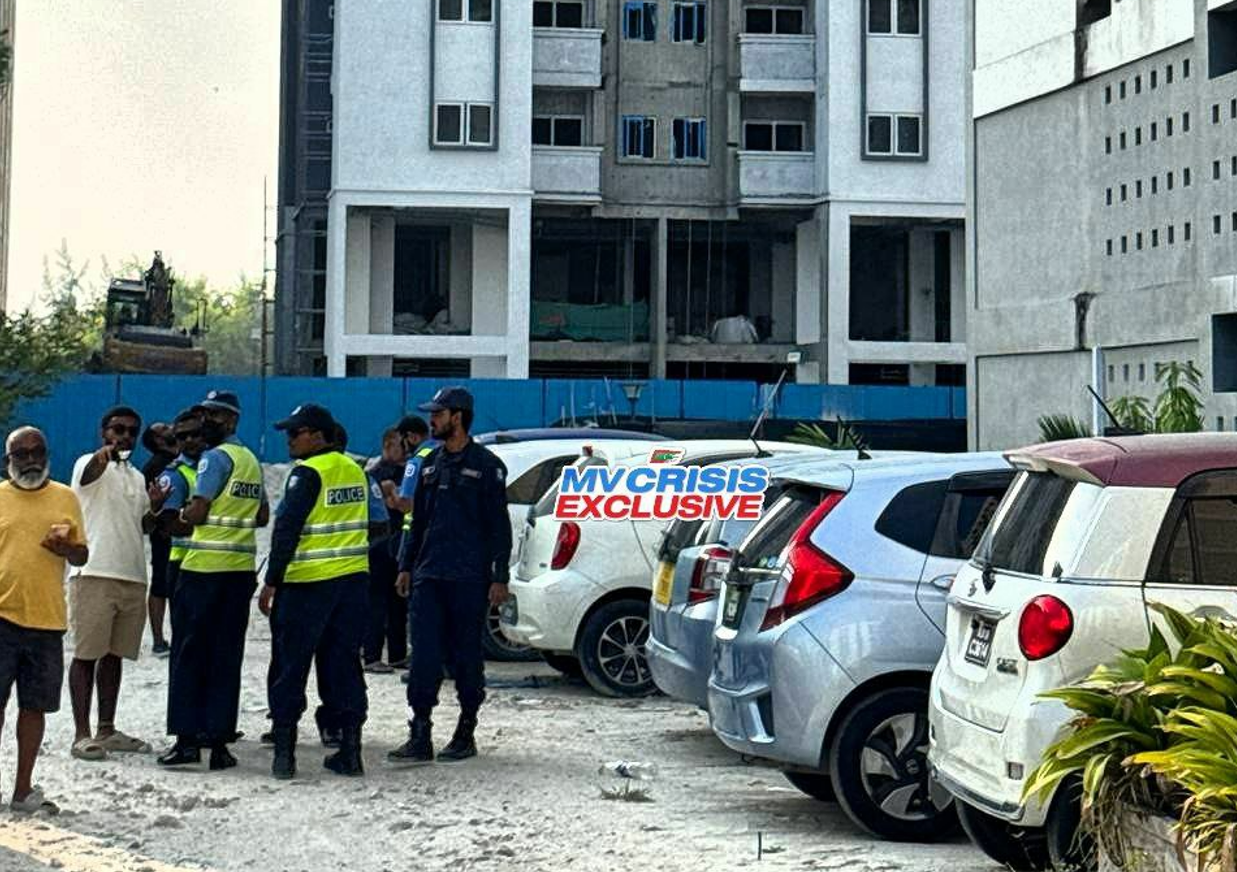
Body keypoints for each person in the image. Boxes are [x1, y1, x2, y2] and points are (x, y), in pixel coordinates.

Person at [390, 387, 511, 764]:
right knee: (423, 657)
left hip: (468, 578)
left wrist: (500, 576)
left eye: (439, 414)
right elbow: (418, 522)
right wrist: (406, 565)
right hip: (429, 575)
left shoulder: (487, 466)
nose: (432, 420)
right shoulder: (430, 464)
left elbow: (499, 526)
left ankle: (465, 729)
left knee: (465, 657)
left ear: (457, 417)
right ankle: (420, 733)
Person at [260, 404, 374, 779]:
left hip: (307, 583)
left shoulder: (308, 473)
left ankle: (284, 755)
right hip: (352, 582)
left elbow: (287, 529)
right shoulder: (355, 470)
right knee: (344, 666)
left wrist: (272, 580)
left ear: (318, 436)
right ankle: (350, 751)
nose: (290, 440)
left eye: (296, 433)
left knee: (290, 666)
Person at [160, 390, 268, 771]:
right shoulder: (250, 461)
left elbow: (199, 512)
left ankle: (187, 741)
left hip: (202, 569)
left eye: (213, 415)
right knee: (226, 657)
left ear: (231, 420)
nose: (206, 421)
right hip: (239, 571)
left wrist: (180, 515)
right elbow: (262, 516)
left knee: (188, 655)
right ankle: (220, 743)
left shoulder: (213, 459)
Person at [68, 406, 168, 762]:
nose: (125, 436)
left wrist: (155, 508)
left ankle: (106, 729)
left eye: (131, 431)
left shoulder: (138, 477)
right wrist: (104, 454)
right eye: (117, 429)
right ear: (103, 432)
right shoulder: (87, 463)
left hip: (132, 575)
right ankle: (81, 734)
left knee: (114, 656)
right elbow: (89, 475)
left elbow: (143, 526)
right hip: (94, 572)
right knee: (86, 655)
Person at [0, 427, 88, 812]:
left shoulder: (66, 497)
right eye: (22, 454)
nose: (31, 460)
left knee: (34, 708)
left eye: (38, 451)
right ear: (8, 460)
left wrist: (67, 548)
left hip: (47, 620)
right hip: (1, 617)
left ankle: (23, 791)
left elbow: (82, 556)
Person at [394, 415, 436, 684]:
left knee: (418, 606)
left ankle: (420, 660)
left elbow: (406, 503)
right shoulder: (443, 452)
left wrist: (391, 495)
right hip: (441, 540)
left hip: (415, 540)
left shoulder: (417, 460)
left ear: (411, 437)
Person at [363, 427, 408, 673]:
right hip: (379, 546)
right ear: (389, 445)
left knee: (398, 601)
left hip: (398, 545)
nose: (405, 451)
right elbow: (397, 505)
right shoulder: (375, 475)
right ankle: (372, 655)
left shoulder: (405, 472)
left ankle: (397, 655)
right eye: (401, 445)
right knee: (377, 602)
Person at [141, 422, 178, 656]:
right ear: (157, 440)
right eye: (164, 428)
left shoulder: (184, 459)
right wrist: (161, 525)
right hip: (164, 534)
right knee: (161, 586)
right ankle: (158, 640)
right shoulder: (155, 466)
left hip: (181, 532)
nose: (170, 427)